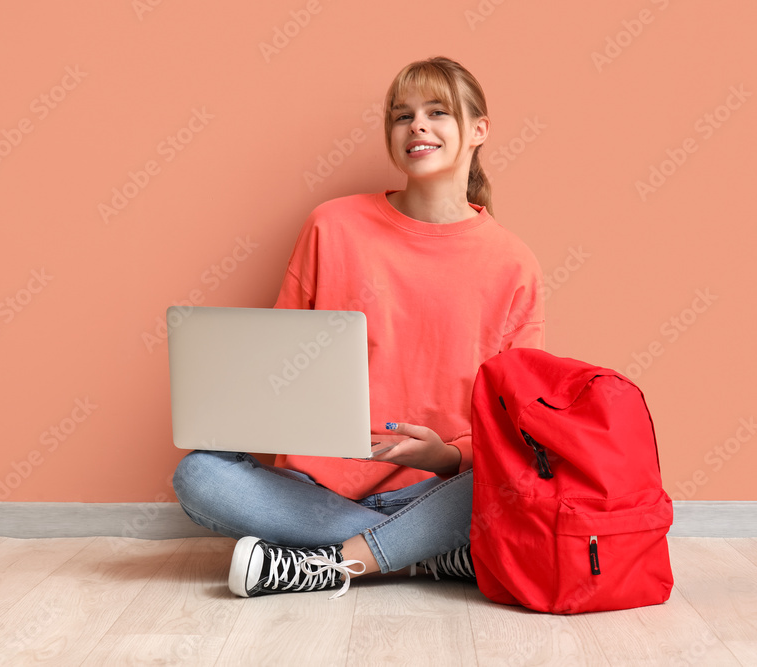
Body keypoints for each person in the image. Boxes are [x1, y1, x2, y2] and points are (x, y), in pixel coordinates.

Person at [172, 55, 545, 599]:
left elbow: (519, 425)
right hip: (313, 489)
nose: (416, 125)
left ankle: (328, 563)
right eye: (401, 115)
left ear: (478, 131)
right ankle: (419, 558)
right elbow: (276, 362)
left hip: (440, 492)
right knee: (199, 476)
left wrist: (444, 456)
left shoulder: (514, 263)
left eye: (437, 111)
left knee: (519, 483)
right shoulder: (332, 225)